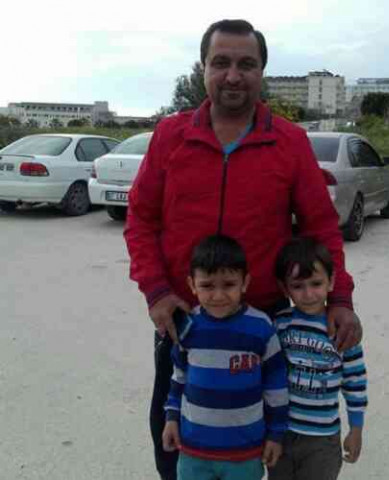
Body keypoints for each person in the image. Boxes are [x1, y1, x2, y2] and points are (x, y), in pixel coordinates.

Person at [124, 18, 361, 480]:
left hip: (266, 324)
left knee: (269, 443)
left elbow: (320, 227)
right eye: (221, 63)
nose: (233, 75)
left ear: (262, 72)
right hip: (184, 319)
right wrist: (156, 291)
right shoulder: (171, 136)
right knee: (176, 440)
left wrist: (339, 297)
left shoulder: (289, 141)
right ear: (203, 68)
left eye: (246, 64)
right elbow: (141, 219)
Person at [161, 234, 289, 480]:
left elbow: (276, 386)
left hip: (245, 453)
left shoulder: (261, 327)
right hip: (193, 451)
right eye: (207, 286)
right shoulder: (187, 327)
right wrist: (171, 418)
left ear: (245, 282)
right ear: (192, 284)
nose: (218, 296)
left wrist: (276, 434)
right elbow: (178, 377)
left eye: (229, 284)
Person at [268, 237, 368, 480]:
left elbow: (355, 383)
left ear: (331, 281)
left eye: (316, 283)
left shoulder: (342, 329)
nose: (308, 294)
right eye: (298, 286)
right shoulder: (280, 324)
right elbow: (268, 375)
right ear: (285, 288)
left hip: (322, 440)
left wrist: (356, 429)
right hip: (281, 433)